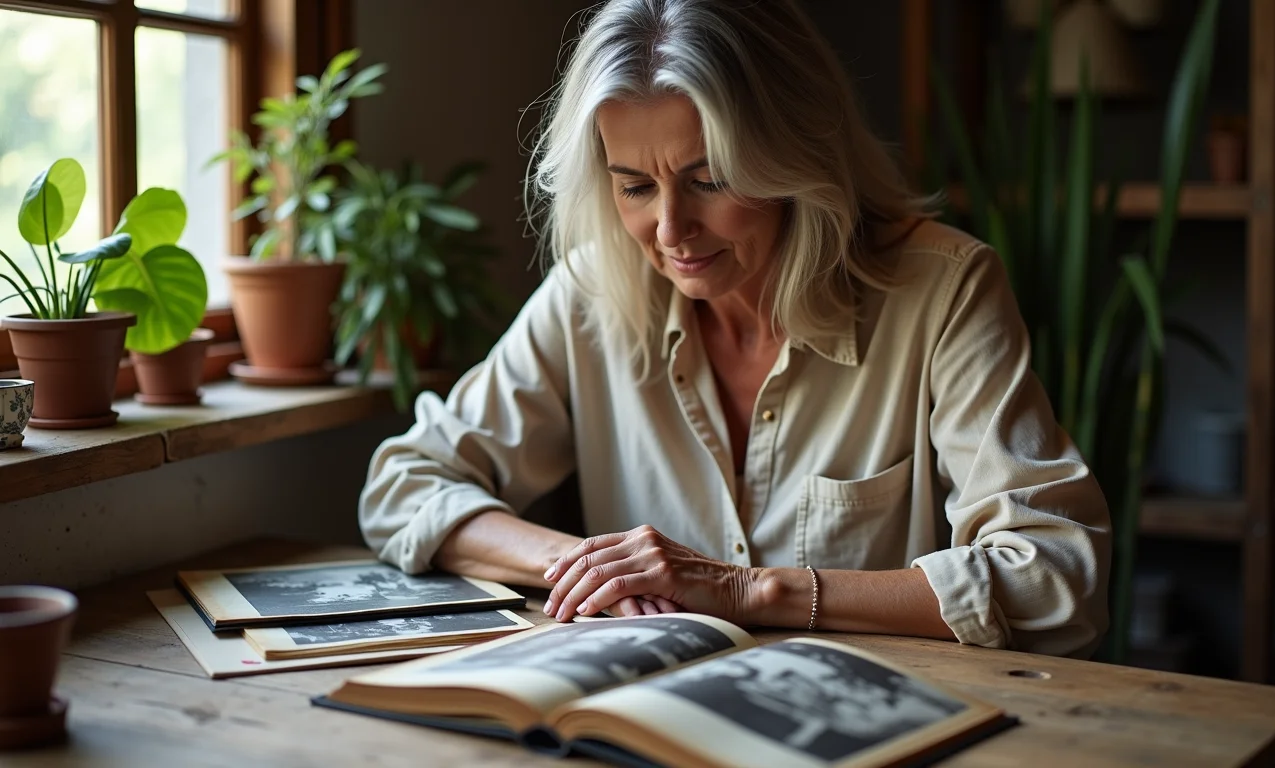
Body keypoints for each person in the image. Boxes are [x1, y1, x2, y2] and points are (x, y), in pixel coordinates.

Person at [358, 0, 1111, 658]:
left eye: (709, 179)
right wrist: (589, 564)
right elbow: (402, 485)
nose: (670, 229)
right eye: (634, 186)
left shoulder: (944, 291)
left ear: (796, 154)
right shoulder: (594, 290)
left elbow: (1055, 573)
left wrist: (750, 591)